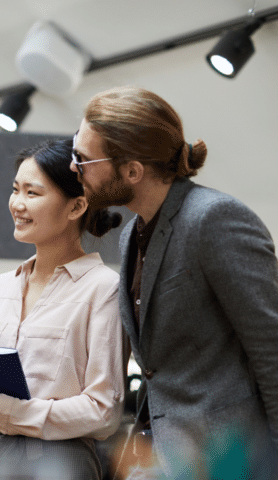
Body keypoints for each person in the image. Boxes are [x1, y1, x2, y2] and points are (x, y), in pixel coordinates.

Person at [71, 86, 278, 477]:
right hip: (163, 454)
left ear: (132, 171)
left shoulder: (215, 219)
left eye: (83, 159)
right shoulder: (132, 233)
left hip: (230, 459)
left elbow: (272, 347)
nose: (73, 167)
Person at [0, 139, 125, 479]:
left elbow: (103, 411)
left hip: (63, 464)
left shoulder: (103, 288)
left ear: (76, 206)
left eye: (32, 193)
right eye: (15, 190)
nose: (17, 204)